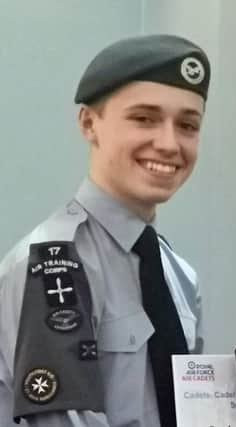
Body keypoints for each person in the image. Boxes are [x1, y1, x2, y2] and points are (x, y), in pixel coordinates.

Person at [0, 34, 211, 427]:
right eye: (144, 118)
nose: (169, 144)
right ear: (88, 123)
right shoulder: (53, 263)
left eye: (187, 125)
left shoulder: (179, 275)